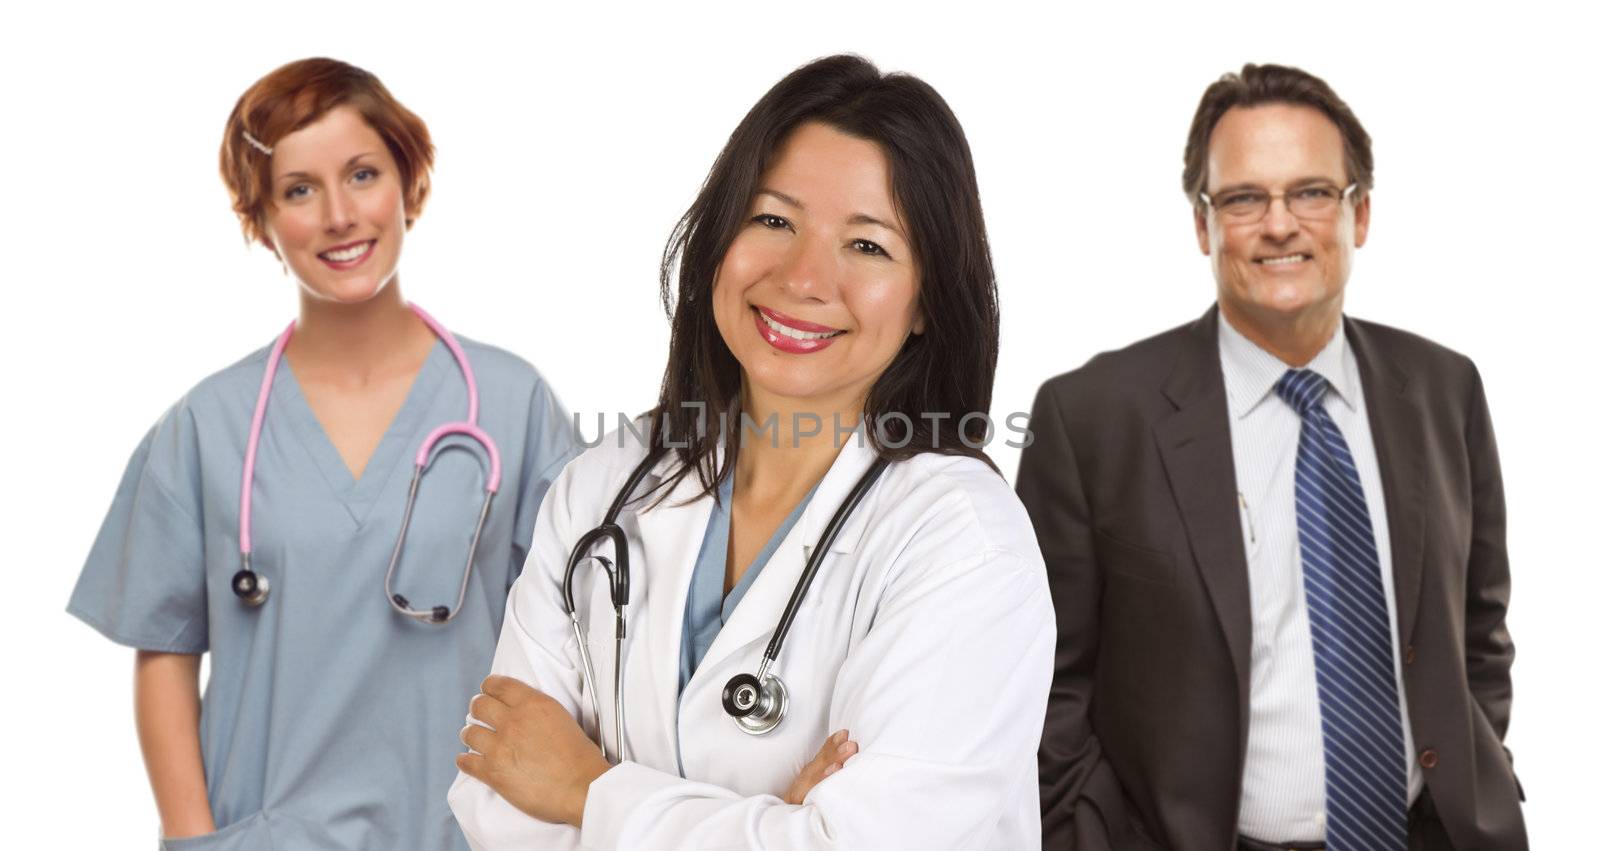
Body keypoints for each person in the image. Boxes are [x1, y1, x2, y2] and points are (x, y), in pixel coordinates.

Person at [446, 54, 1055, 849]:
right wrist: (774, 823)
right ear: (718, 239)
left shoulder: (964, 546)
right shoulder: (603, 487)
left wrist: (585, 788)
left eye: (867, 246)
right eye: (772, 219)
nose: (803, 276)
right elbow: (496, 790)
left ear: (925, 304)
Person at [67, 57, 578, 849]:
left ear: (409, 184)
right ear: (259, 218)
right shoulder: (205, 426)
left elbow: (585, 636)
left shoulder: (511, 404)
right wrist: (194, 837)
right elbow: (165, 650)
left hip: (465, 833)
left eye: (363, 174)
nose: (339, 214)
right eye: (299, 189)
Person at [1019, 63, 1526, 850]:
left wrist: (1476, 776)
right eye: (1245, 198)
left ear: (1360, 215)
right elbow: (1047, 680)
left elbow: (1479, 630)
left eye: (1312, 192)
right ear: (1203, 224)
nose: (1280, 224)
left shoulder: (1442, 387)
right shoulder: (1092, 416)